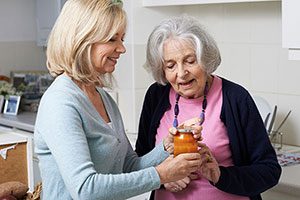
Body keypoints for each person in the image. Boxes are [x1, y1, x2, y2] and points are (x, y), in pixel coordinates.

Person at [34, 1, 204, 200]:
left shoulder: (103, 98)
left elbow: (129, 165)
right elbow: (85, 189)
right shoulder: (61, 102)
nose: (122, 48)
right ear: (82, 40)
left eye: (121, 39)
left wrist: (168, 146)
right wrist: (162, 175)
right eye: (112, 39)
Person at [135, 15, 281, 200]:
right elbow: (139, 161)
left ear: (205, 59)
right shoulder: (156, 96)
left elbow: (269, 171)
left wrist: (219, 175)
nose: (181, 73)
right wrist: (162, 179)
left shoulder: (235, 98)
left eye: (190, 61)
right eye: (170, 65)